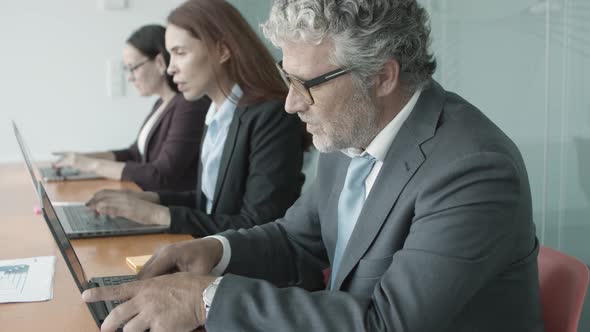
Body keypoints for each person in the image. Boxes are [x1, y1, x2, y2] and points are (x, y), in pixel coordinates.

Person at [83, 1, 545, 331]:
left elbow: (385, 324)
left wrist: (207, 299)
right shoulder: (351, 129)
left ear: (382, 76)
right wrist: (214, 251)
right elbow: (295, 239)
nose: (290, 103)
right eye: (288, 77)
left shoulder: (472, 171)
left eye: (308, 84)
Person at [84, 0, 307, 238]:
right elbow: (208, 202)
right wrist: (149, 198)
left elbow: (257, 225)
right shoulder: (215, 113)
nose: (170, 69)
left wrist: (156, 214)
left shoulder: (271, 117)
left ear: (222, 50)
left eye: (180, 53)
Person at [54, 24, 209, 192]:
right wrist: (79, 160)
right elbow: (134, 154)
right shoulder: (161, 104)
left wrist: (93, 165)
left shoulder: (189, 106)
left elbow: (162, 175)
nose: (130, 78)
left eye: (133, 68)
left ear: (159, 63)